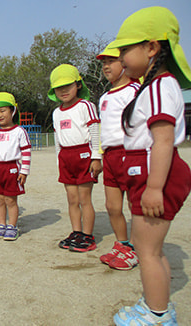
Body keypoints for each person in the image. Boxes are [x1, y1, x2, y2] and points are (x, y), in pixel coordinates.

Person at [108, 7, 191, 325]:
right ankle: (157, 303)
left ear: (152, 47)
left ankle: (157, 315)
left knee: (147, 249)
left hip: (156, 174)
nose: (122, 57)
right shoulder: (154, 85)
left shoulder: (158, 87)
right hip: (146, 172)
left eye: (126, 49)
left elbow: (164, 138)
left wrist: (155, 187)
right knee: (149, 247)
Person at [48, 64, 102, 252]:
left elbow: (95, 130)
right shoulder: (56, 113)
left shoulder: (86, 106)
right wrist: (58, 160)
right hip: (65, 156)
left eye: (68, 85)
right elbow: (57, 139)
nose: (63, 91)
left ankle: (88, 236)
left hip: (84, 155)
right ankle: (76, 232)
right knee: (71, 199)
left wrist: (96, 156)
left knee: (84, 198)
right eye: (59, 87)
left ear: (78, 84)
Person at [96, 46, 141, 270]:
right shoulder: (104, 97)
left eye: (111, 61)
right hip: (110, 155)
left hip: (130, 152)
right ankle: (122, 244)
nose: (105, 66)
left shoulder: (136, 90)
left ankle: (137, 248)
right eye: (103, 62)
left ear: (124, 62)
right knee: (112, 206)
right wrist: (99, 155)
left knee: (135, 205)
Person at [0, 92, 31, 241]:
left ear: (12, 111)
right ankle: (1, 225)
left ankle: (12, 226)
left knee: (10, 200)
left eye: (3, 110)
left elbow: (26, 152)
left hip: (11, 169)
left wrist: (24, 171)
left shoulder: (19, 132)